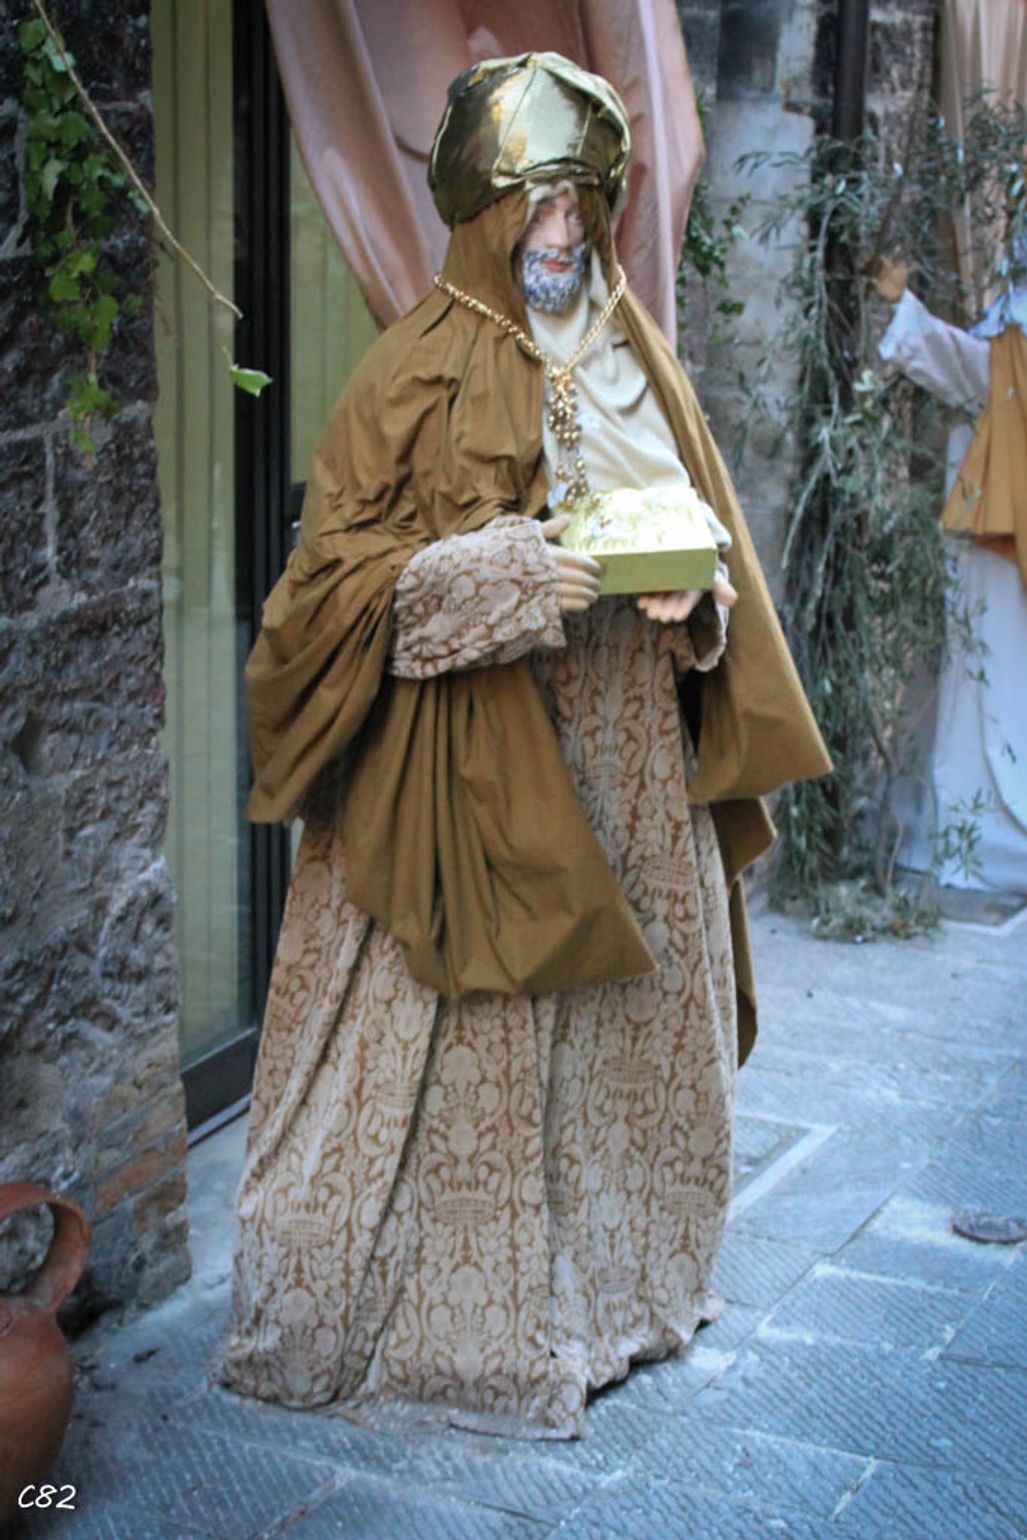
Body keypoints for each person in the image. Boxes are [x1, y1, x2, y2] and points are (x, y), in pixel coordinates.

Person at [217, 52, 828, 1438]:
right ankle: (470, 1327)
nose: (558, 237)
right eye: (533, 210)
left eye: (578, 207)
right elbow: (322, 601)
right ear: (482, 215)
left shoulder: (633, 352)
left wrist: (694, 601)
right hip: (471, 780)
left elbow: (704, 545)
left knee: (616, 1042)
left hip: (630, 770)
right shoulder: (404, 375)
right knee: (478, 1049)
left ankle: (615, 1293)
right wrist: (498, 576)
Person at [874, 255, 1027, 893]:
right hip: (989, 535)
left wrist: (901, 307)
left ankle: (979, 838)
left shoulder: (1015, 345)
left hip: (992, 548)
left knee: (983, 679)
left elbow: (975, 374)